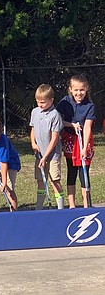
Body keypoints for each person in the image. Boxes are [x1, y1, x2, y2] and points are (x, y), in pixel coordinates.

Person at [57, 74, 95, 208]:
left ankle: (86, 205)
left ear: (86, 89)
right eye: (76, 90)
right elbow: (57, 120)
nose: (79, 93)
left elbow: (87, 127)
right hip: (70, 140)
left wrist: (84, 148)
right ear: (71, 90)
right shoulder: (65, 101)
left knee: (83, 172)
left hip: (84, 141)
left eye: (82, 90)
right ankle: (71, 205)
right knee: (71, 171)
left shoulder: (89, 106)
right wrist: (71, 125)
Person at [30, 84, 64, 210]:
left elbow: (54, 139)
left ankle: (60, 208)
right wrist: (33, 143)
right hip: (39, 154)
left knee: (54, 180)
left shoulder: (55, 115)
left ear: (51, 100)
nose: (40, 105)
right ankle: (38, 207)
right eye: (38, 102)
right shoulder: (35, 112)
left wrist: (45, 157)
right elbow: (33, 129)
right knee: (40, 180)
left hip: (52, 154)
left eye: (43, 102)